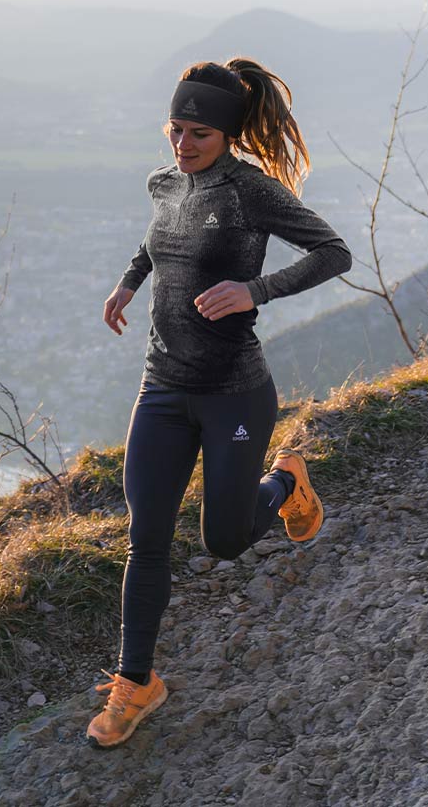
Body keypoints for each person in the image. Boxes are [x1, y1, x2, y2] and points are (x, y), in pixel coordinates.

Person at [86, 57, 352, 749]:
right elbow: (157, 244)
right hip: (162, 389)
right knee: (145, 538)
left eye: (198, 133)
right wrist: (127, 283)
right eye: (174, 129)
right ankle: (136, 683)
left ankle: (287, 481)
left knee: (225, 542)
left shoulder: (251, 191)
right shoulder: (164, 182)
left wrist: (254, 290)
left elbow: (333, 252)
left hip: (234, 392)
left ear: (227, 133)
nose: (182, 144)